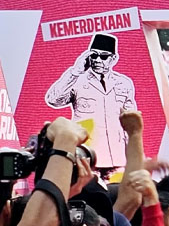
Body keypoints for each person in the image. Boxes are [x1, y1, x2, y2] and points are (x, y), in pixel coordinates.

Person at [44, 33, 137, 167]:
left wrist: (134, 157)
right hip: (86, 157)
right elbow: (53, 99)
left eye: (104, 56)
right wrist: (75, 71)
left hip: (118, 156)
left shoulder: (124, 83)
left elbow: (132, 124)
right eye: (94, 55)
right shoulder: (76, 80)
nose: (98, 60)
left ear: (113, 59)